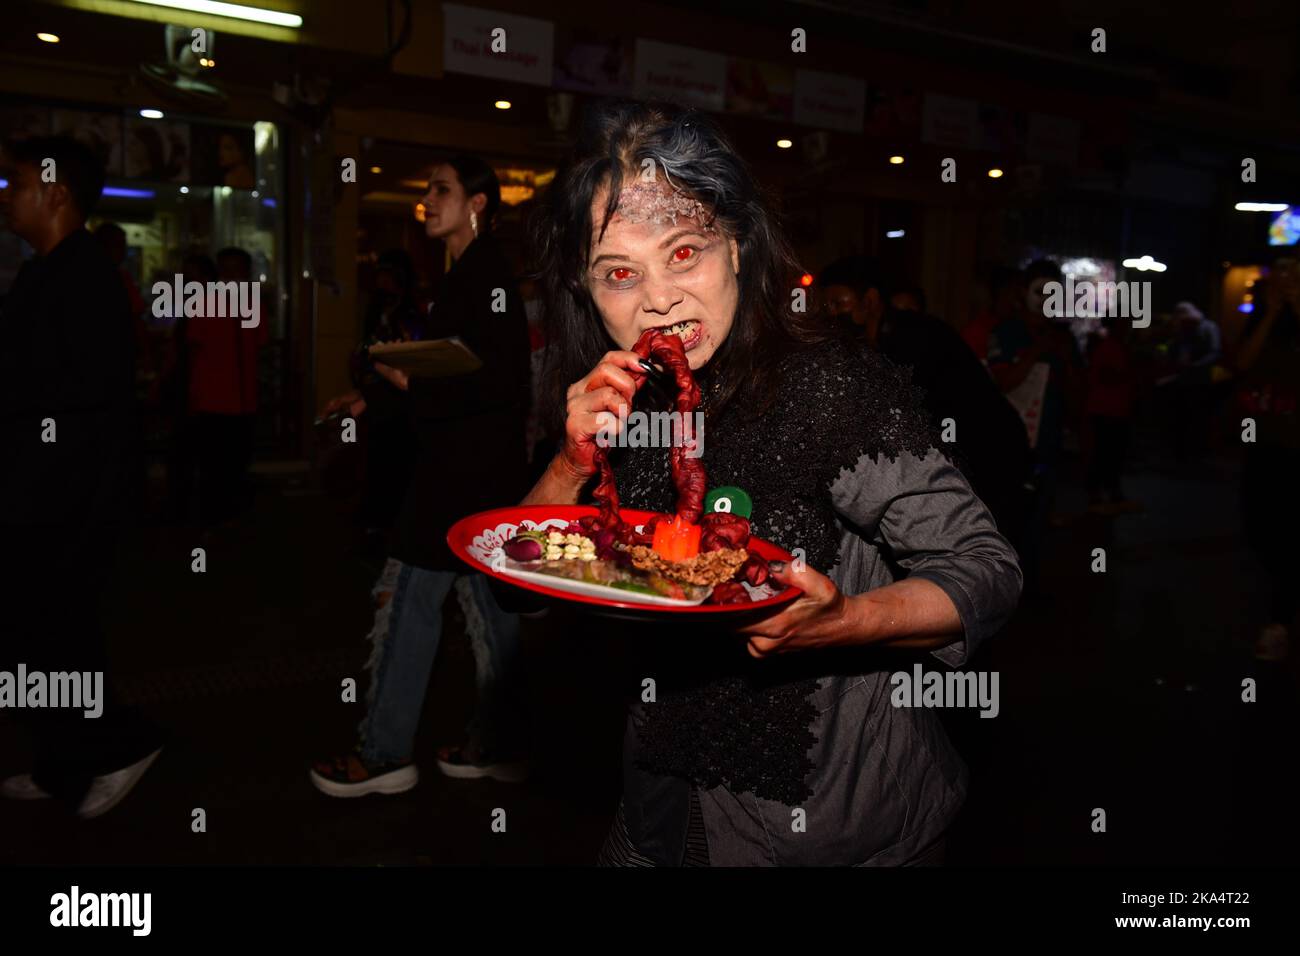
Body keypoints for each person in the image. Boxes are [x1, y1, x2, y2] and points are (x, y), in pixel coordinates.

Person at [526, 102, 1021, 865]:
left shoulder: (829, 387)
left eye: (684, 252)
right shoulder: (609, 397)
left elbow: (986, 573)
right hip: (655, 802)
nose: (657, 298)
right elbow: (521, 580)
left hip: (830, 828)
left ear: (738, 248)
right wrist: (568, 463)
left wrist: (844, 621)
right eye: (619, 274)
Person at [311, 156, 533, 795]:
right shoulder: (465, 274)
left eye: (441, 190)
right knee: (488, 612)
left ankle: (384, 755)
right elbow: (444, 375)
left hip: (459, 479)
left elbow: (499, 381)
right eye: (426, 189)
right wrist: (367, 400)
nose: (427, 201)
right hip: (471, 476)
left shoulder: (486, 275)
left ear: (479, 203)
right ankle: (500, 743)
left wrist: (415, 385)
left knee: (408, 596)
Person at [0, 135, 164, 818]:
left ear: (54, 193)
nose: (7, 196)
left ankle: (120, 745)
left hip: (68, 496)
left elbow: (91, 396)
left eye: (16, 183)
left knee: (59, 634)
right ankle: (61, 763)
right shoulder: (43, 272)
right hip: (37, 488)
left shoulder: (85, 276)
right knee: (33, 637)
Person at [817, 256, 1031, 543]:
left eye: (839, 303)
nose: (831, 313)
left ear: (869, 300)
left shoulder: (910, 337)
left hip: (991, 450)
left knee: (989, 541)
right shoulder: (878, 339)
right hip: (967, 451)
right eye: (827, 305)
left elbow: (901, 415)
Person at [1235, 261, 1300, 661]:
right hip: (1262, 439)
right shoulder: (1267, 315)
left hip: (1296, 445)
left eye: (1295, 273)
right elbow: (1243, 363)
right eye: (1283, 273)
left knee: (1287, 532)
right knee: (1257, 524)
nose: (1287, 280)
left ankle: (1279, 622)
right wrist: (1274, 310)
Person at [1084, 318, 1141, 514]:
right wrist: (1128, 375)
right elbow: (1104, 374)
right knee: (1103, 453)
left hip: (1117, 409)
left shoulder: (1119, 346)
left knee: (1114, 453)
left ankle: (1112, 490)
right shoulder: (1108, 347)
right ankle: (1096, 493)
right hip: (1105, 409)